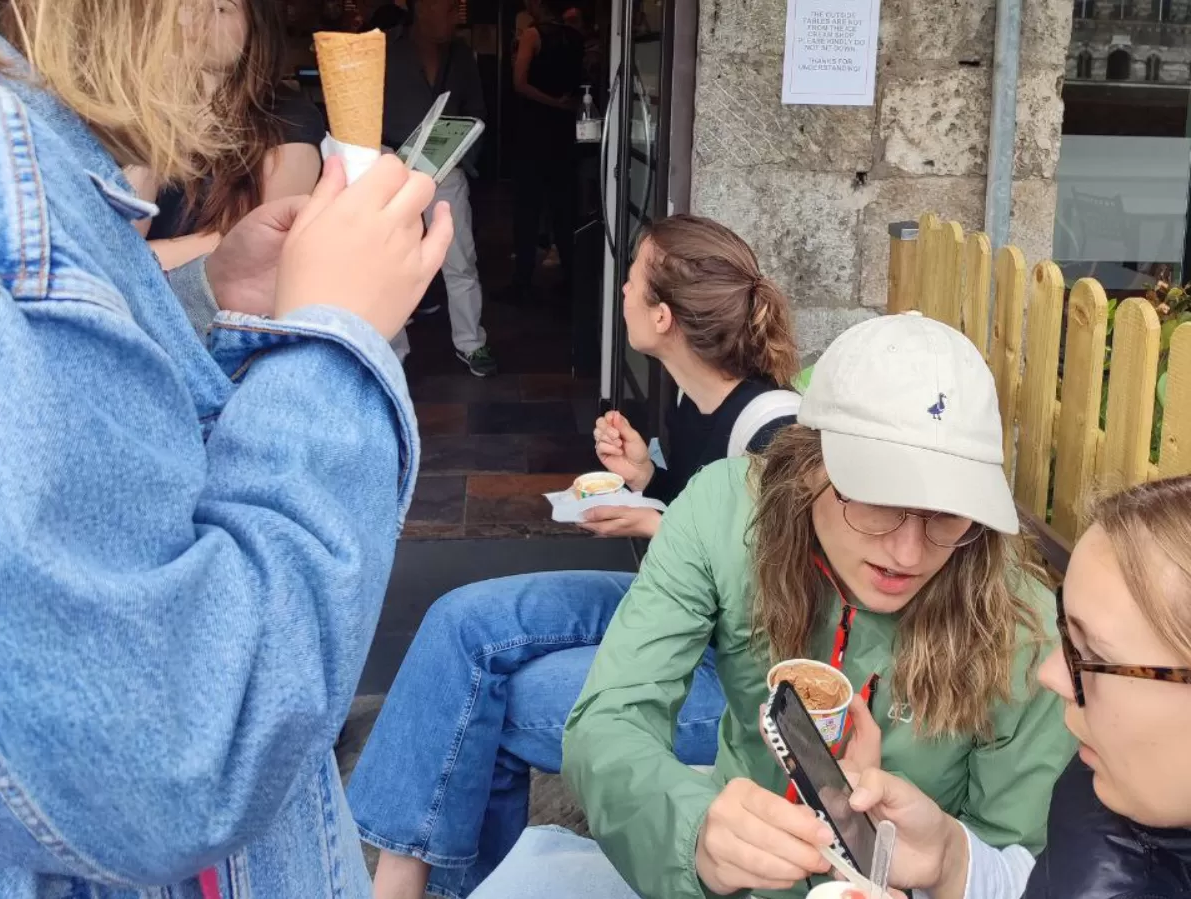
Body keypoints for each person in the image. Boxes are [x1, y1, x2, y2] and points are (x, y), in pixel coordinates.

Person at [0, 2, 451, 897]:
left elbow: (93, 428)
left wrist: (205, 295)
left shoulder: (43, 167)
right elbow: (179, 746)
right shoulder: (10, 192)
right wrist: (335, 341)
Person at [465, 313, 1077, 899]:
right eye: (877, 498)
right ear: (809, 462)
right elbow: (612, 718)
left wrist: (937, 868)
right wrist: (695, 832)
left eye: (947, 512)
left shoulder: (1024, 630)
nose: (909, 551)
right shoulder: (724, 512)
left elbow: (1018, 857)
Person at [346, 214, 803, 899]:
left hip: (731, 679)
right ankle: (403, 877)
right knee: (459, 621)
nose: (619, 290)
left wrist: (662, 525)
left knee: (493, 695)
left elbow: (780, 606)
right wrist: (649, 479)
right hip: (669, 620)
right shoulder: (693, 398)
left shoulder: (774, 433)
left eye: (632, 278)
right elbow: (695, 505)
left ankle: (447, 888)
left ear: (664, 315)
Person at [804, 474, 1191, 899]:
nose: (1050, 674)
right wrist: (950, 860)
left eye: (1094, 656)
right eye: (1067, 635)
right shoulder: (1102, 780)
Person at [130, 0, 325, 272]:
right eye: (187, 7)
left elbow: (260, 244)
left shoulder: (286, 118)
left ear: (257, 28)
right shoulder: (147, 107)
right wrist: (153, 113)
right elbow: (126, 226)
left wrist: (130, 260)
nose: (193, 22)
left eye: (221, 8)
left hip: (214, 299)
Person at [381, 0, 498, 377]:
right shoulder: (384, 48)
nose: (455, 16)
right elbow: (364, 113)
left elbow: (477, 109)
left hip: (445, 167)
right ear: (422, 7)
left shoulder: (461, 55)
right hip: (390, 167)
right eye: (447, 8)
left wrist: (461, 154)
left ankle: (472, 342)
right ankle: (392, 349)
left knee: (460, 257)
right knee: (390, 261)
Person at [507, 0, 583, 301]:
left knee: (527, 209)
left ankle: (522, 282)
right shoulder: (576, 37)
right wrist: (565, 104)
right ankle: (571, 279)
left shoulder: (532, 35)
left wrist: (550, 101)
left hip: (533, 132)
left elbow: (519, 82)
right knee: (564, 210)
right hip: (564, 134)